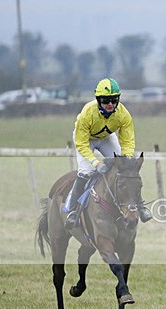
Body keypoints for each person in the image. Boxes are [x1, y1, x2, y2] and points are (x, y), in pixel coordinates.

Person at [64, 77, 152, 228]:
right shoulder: (87, 113)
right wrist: (96, 162)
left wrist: (127, 159)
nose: (110, 104)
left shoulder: (123, 113)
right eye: (106, 100)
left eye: (113, 100)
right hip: (86, 140)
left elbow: (128, 140)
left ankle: (140, 206)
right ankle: (72, 211)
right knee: (86, 171)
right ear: (98, 99)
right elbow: (81, 144)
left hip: (106, 137)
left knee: (127, 171)